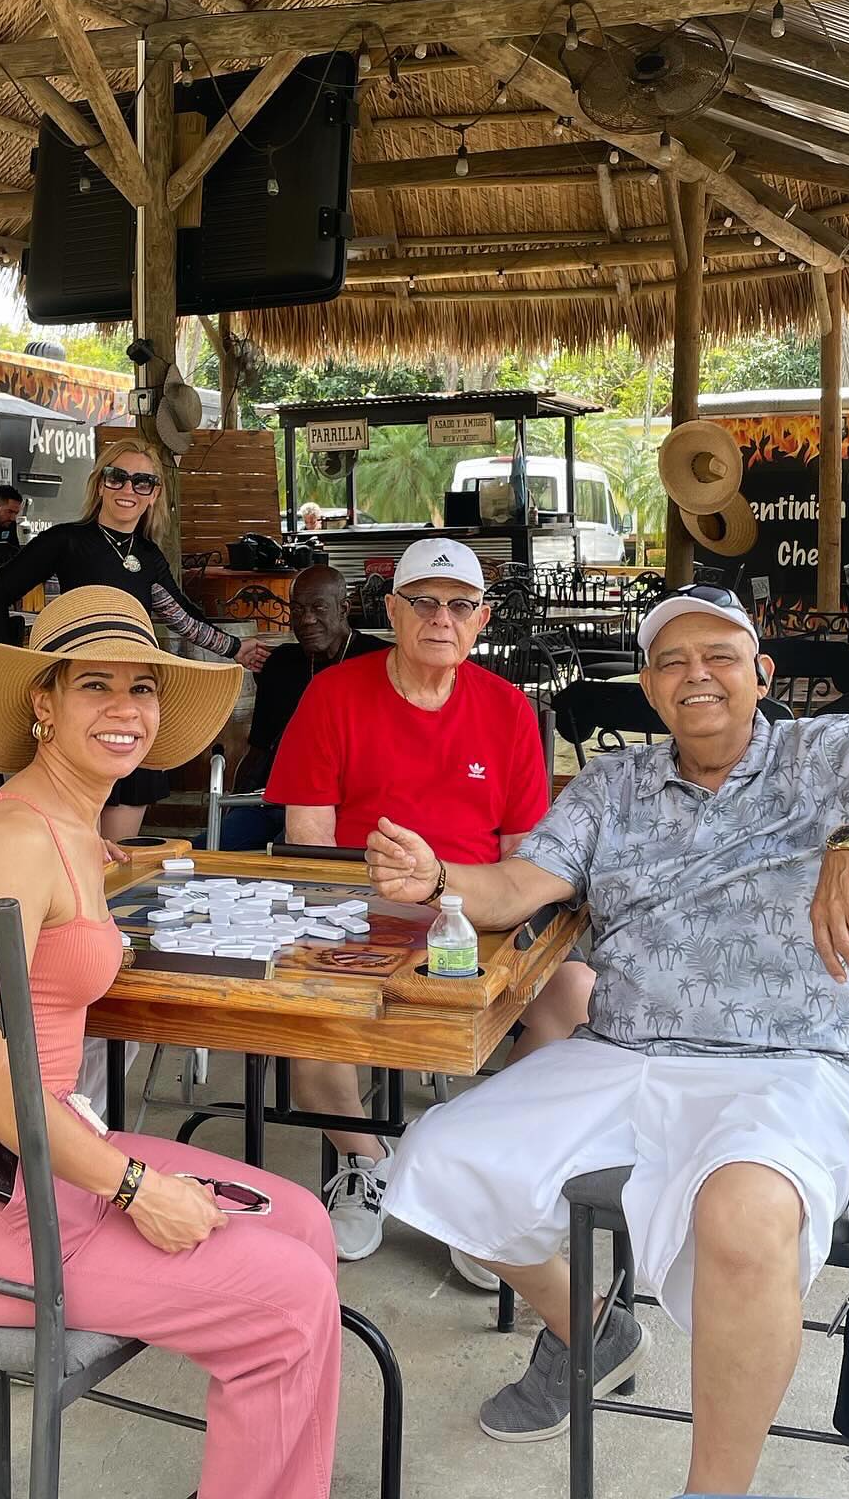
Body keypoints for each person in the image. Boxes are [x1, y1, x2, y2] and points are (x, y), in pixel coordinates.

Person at [379, 585, 849, 1494]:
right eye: (672, 663)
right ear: (648, 688)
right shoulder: (614, 783)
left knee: (746, 1214)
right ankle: (593, 1326)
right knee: (439, 1155)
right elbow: (519, 886)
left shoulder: (827, 752)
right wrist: (440, 875)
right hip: (627, 1049)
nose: (698, 676)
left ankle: (712, 1489)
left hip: (787, 1058)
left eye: (720, 656)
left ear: (762, 674)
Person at [0, 587, 342, 1499]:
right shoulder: (15, 836)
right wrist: (138, 1190)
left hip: (48, 1150)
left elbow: (77, 897)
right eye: (96, 685)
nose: (127, 710)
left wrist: (128, 867)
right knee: (286, 1301)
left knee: (306, 1223)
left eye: (143, 688)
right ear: (42, 704)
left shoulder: (72, 825)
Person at [264, 538, 595, 1263]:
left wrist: (470, 906)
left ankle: (473, 1163)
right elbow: (312, 848)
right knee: (307, 1010)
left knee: (574, 990)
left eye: (459, 605)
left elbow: (522, 857)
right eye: (422, 602)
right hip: (359, 908)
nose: (440, 618)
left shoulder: (509, 711)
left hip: (476, 913)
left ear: (480, 621)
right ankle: (368, 1164)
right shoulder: (332, 696)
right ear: (391, 610)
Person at [0, 438, 269, 840]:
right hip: (78, 698)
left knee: (119, 856)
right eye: (118, 478)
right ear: (100, 484)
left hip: (128, 700)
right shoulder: (66, 540)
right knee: (69, 845)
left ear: (154, 495)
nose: (129, 489)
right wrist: (20, 663)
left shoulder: (148, 555)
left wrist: (235, 648)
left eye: (142, 482)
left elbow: (181, 616)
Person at [220, 565, 382, 851]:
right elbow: (258, 746)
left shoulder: (378, 660)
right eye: (296, 609)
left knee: (289, 858)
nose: (306, 619)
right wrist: (234, 802)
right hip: (272, 800)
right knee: (205, 852)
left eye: (319, 607)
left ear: (343, 608)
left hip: (343, 805)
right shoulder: (281, 663)